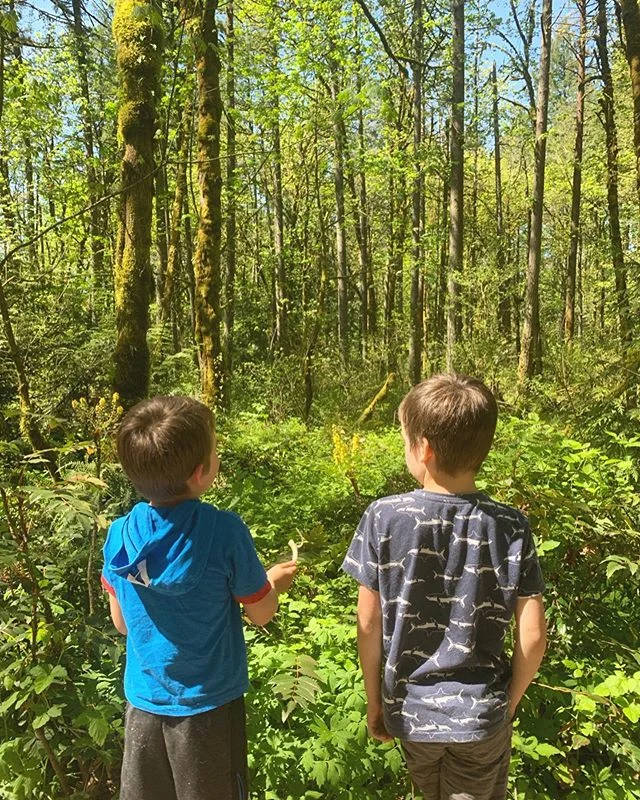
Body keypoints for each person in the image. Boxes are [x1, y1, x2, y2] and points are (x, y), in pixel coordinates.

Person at [341, 373, 547, 800]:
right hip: (481, 717)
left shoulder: (384, 517)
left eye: (404, 439)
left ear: (424, 448)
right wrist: (508, 704)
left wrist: (376, 702)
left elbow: (368, 624)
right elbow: (533, 636)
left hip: (410, 714)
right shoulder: (511, 526)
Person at [101, 396, 296, 800]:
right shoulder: (224, 532)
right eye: (215, 449)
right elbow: (262, 613)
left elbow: (121, 624)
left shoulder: (120, 534)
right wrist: (273, 582)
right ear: (201, 472)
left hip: (144, 704)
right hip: (209, 708)